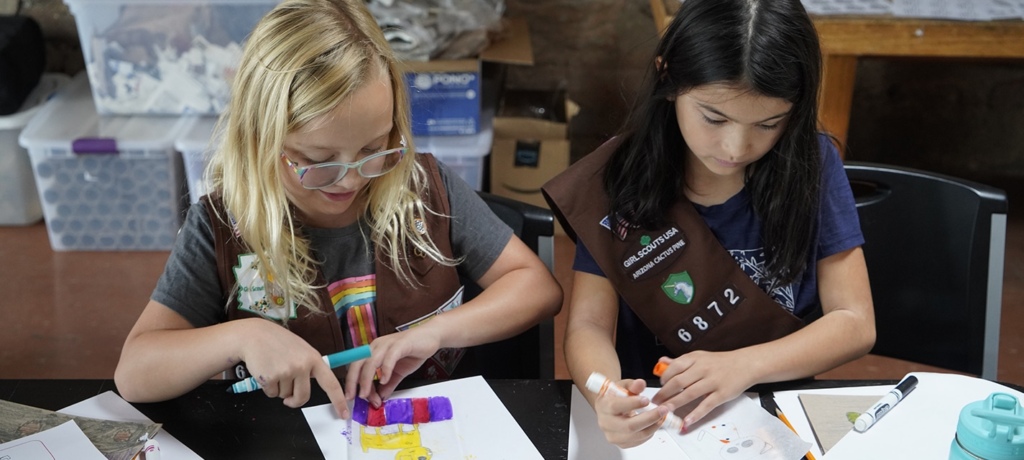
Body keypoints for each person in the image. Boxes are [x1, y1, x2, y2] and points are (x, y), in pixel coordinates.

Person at [113, 0, 562, 420]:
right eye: (318, 160)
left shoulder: (424, 188)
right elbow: (134, 373)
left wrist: (437, 331)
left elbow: (537, 289)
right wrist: (241, 337)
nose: (350, 180)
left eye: (373, 148)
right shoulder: (222, 226)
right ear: (258, 140)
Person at [542, 0, 875, 448]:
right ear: (667, 77)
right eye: (714, 117)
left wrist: (744, 366)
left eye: (769, 123)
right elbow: (588, 327)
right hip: (660, 420)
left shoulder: (811, 164)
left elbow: (855, 322)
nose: (736, 146)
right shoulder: (619, 178)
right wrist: (605, 392)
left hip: (778, 409)